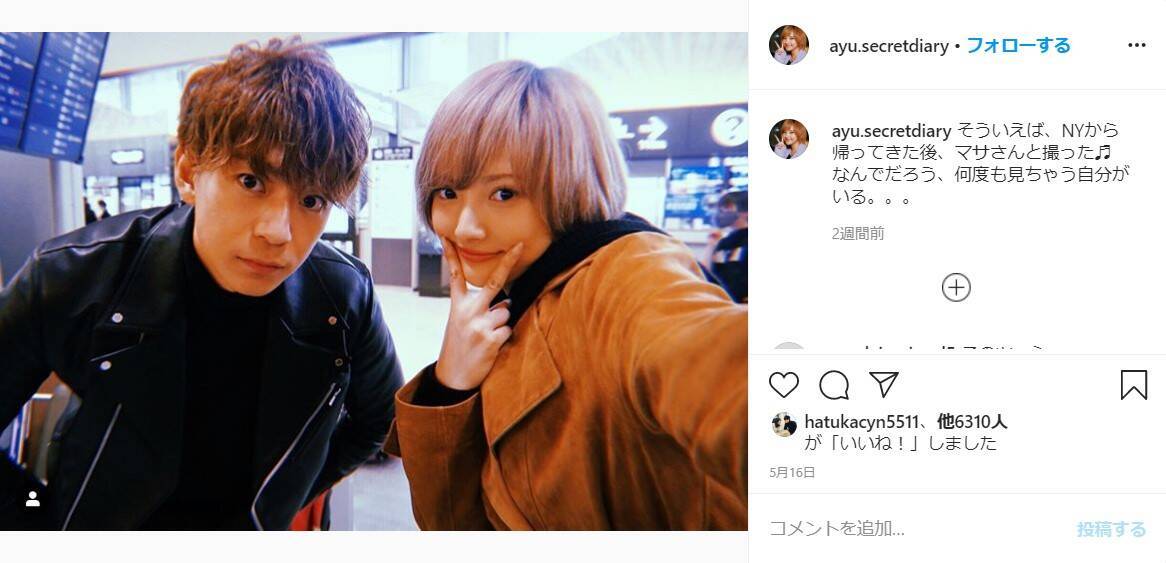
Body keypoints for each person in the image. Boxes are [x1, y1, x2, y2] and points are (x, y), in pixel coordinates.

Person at [0, 38, 403, 530]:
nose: (278, 231)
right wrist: (37, 519)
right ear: (190, 172)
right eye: (251, 181)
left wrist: (284, 495)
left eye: (312, 200)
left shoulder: (342, 296)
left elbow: (378, 421)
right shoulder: (73, 276)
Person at [385, 60, 747, 530]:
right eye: (448, 192)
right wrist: (450, 383)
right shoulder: (518, 299)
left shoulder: (626, 275)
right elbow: (453, 523)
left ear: (570, 186)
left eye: (504, 193)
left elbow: (718, 369)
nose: (465, 227)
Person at [706, 189, 748, 303]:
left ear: (745, 212)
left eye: (728, 208)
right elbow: (708, 273)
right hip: (722, 302)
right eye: (722, 209)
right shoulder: (724, 242)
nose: (723, 212)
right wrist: (711, 246)